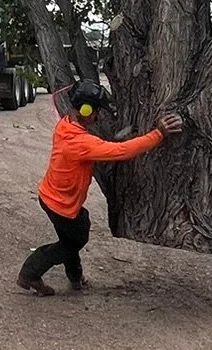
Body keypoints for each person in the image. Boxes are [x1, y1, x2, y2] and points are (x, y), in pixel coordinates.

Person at [18, 80, 184, 295]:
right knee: (75, 241)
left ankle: (75, 278)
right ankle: (30, 273)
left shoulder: (66, 125)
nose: (97, 117)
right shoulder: (80, 143)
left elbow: (99, 145)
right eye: (96, 111)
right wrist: (158, 133)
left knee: (71, 237)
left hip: (51, 197)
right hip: (60, 205)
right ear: (85, 110)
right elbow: (122, 151)